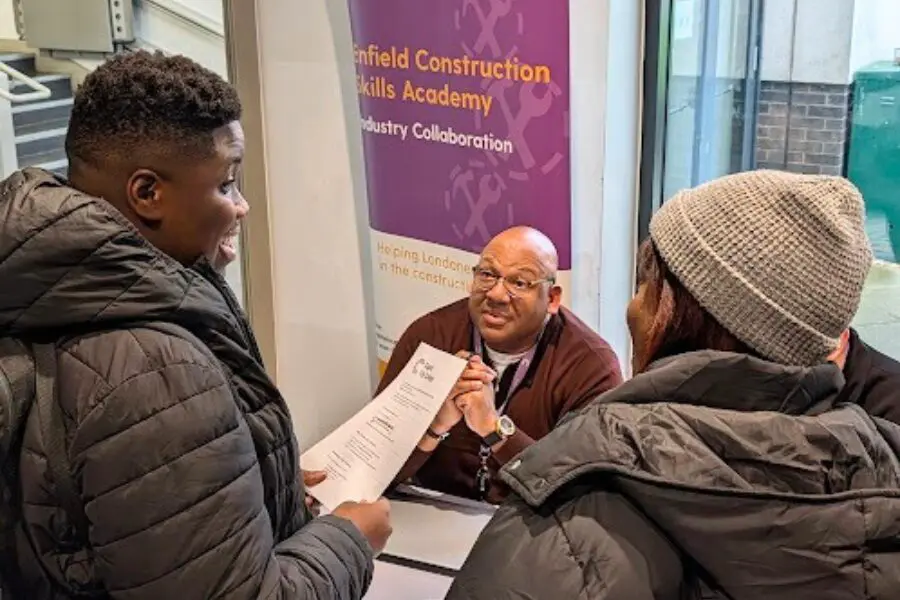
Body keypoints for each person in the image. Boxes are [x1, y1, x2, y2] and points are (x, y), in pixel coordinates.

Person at [0, 51, 391, 599]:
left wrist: (252, 482)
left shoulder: (39, 285)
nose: (242, 206)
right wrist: (350, 539)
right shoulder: (159, 371)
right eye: (226, 184)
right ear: (147, 194)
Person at [446, 170, 900, 599]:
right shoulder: (877, 481)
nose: (631, 306)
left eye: (646, 283)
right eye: (487, 274)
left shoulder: (565, 524)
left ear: (673, 314)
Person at [379, 226, 623, 503]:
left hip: (533, 520)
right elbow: (372, 470)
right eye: (487, 275)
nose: (496, 295)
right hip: (429, 509)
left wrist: (494, 430)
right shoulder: (430, 337)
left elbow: (585, 494)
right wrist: (434, 427)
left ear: (552, 298)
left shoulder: (589, 365)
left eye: (519, 283)